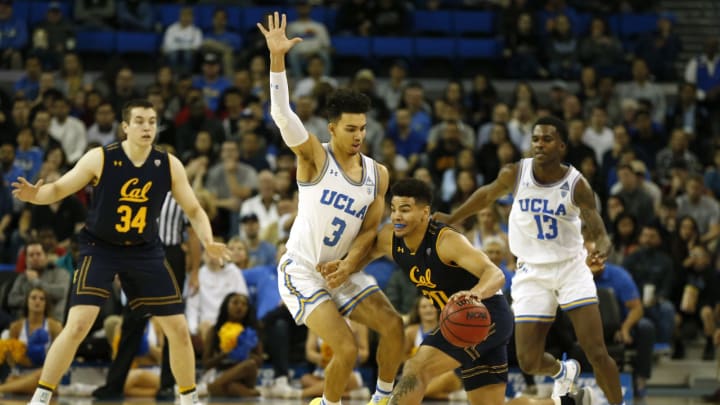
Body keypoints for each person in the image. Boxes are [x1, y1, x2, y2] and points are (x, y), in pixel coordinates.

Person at [12, 99, 229, 405]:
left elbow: (193, 208)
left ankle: (189, 399)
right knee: (78, 325)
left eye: (152, 121)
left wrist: (207, 240)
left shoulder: (168, 164)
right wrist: (36, 196)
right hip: (100, 248)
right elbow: (60, 188)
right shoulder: (100, 158)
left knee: (178, 330)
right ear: (125, 127)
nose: (147, 127)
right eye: (139, 121)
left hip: (144, 250)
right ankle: (41, 397)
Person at [258, 12, 404, 405]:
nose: (359, 136)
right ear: (332, 128)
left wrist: (348, 267)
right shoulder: (313, 159)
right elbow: (282, 115)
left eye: (363, 128)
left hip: (343, 271)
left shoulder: (378, 174)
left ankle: (382, 400)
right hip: (303, 271)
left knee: (393, 327)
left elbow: (370, 232)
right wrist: (277, 60)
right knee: (345, 350)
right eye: (350, 129)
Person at [435, 116, 625, 404]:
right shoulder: (515, 173)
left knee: (596, 350)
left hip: (570, 267)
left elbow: (595, 223)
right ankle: (564, 371)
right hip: (530, 271)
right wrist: (452, 218)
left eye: (547, 139)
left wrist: (604, 242)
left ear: (561, 146)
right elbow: (486, 196)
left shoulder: (576, 184)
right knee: (528, 361)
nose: (539, 144)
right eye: (535, 139)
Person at [0, 288, 62, 396]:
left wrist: (44, 355)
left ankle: (4, 388)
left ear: (46, 303)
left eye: (42, 299)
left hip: (43, 372)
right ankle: (24, 387)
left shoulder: (54, 326)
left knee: (44, 379)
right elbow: (11, 362)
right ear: (27, 301)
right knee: (12, 380)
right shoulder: (16, 326)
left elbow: (62, 355)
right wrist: (20, 355)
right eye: (33, 298)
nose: (37, 301)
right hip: (21, 373)